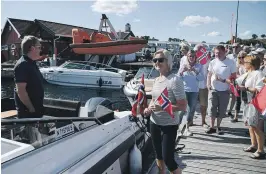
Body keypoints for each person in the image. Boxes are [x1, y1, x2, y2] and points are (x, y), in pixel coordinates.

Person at [144, 49, 187, 174]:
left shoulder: (175, 80)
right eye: (155, 60)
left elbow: (183, 106)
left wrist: (162, 108)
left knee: (168, 159)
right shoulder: (157, 80)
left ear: (168, 61)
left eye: (160, 60)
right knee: (158, 156)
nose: (157, 62)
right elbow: (153, 100)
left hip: (169, 125)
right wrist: (148, 109)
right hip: (154, 122)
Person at [14, 35, 44, 145]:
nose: (41, 50)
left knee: (35, 142)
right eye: (39, 47)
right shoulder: (22, 65)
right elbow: (21, 91)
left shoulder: (31, 63)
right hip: (28, 114)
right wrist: (31, 108)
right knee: (29, 144)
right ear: (32, 48)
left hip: (35, 113)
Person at [236, 55, 265, 159]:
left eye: (246, 62)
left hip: (254, 103)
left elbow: (259, 89)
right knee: (250, 125)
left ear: (251, 64)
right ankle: (253, 145)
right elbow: (238, 81)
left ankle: (261, 150)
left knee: (255, 126)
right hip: (247, 102)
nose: (244, 64)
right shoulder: (249, 73)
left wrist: (246, 88)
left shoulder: (258, 74)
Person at [206, 45, 237, 134]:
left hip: (225, 90)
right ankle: (212, 127)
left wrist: (223, 81)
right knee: (212, 109)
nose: (217, 54)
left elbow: (234, 78)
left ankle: (218, 126)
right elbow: (209, 75)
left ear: (224, 52)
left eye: (219, 53)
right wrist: (208, 84)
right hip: (213, 89)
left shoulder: (231, 62)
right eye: (216, 53)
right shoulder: (212, 62)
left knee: (222, 110)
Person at [178, 50, 204, 136]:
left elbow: (201, 78)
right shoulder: (183, 65)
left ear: (195, 57)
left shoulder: (199, 66)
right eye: (190, 56)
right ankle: (177, 128)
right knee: (181, 110)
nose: (191, 58)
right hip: (184, 90)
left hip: (194, 91)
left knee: (191, 110)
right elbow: (178, 78)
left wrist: (195, 71)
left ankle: (187, 128)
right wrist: (182, 72)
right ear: (187, 57)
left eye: (193, 56)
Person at [232, 51, 247, 122]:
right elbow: (236, 74)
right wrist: (241, 77)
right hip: (238, 83)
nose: (241, 59)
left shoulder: (248, 64)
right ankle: (236, 116)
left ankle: (246, 117)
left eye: (242, 57)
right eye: (239, 57)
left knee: (245, 100)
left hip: (246, 84)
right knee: (237, 100)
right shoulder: (238, 64)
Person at [226, 43, 241, 117]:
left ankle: (230, 111)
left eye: (236, 47)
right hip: (228, 78)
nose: (234, 48)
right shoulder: (228, 56)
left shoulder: (241, 57)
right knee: (226, 95)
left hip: (237, 79)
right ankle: (225, 109)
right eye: (233, 47)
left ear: (239, 48)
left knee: (234, 96)